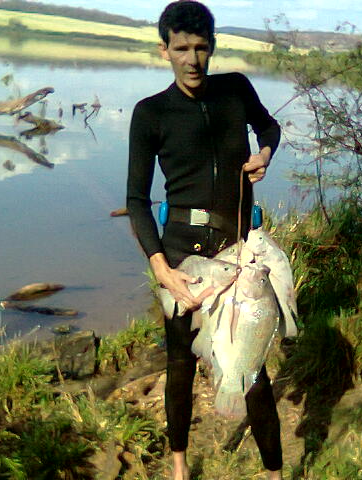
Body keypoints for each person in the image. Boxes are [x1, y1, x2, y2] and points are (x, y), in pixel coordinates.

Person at [126, 2, 283, 479]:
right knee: (181, 364)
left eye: (200, 48)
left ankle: (274, 473)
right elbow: (136, 199)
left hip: (237, 251)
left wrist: (264, 154)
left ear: (212, 48)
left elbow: (269, 125)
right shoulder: (151, 113)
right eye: (181, 49)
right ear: (164, 50)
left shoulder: (235, 90)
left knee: (252, 371)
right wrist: (161, 268)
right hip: (181, 256)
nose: (192, 60)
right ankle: (179, 468)